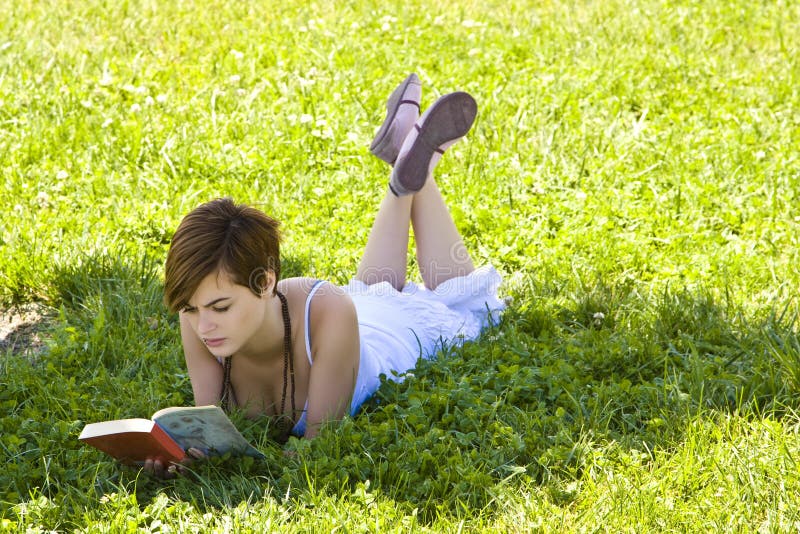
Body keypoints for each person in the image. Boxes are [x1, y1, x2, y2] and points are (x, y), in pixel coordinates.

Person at [145, 74, 505, 477]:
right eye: (192, 310)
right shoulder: (196, 316)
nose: (203, 325)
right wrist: (179, 456)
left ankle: (413, 166)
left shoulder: (327, 311)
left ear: (265, 282)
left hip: (390, 335)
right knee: (374, 290)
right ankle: (406, 159)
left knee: (469, 305)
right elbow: (208, 432)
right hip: (359, 311)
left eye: (220, 306)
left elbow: (318, 443)